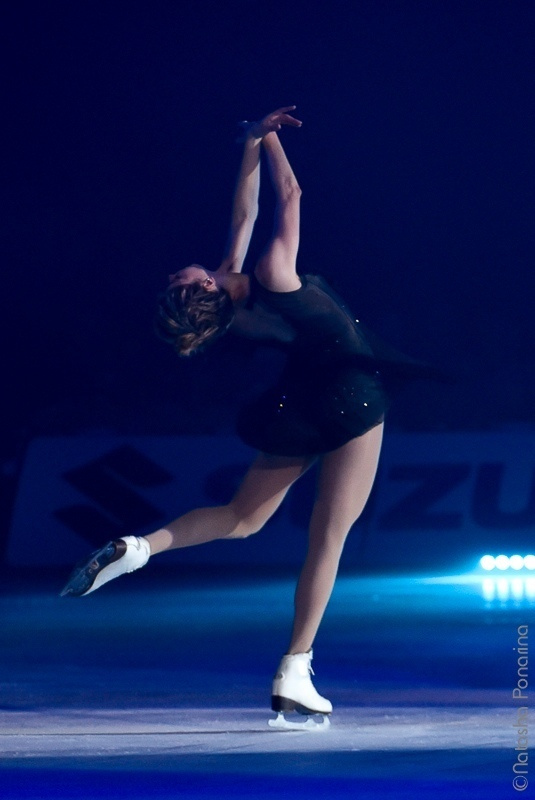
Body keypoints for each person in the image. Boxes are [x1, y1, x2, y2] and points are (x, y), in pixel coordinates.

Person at [61, 106, 434, 727]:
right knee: (329, 535)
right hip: (350, 391)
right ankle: (296, 667)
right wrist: (274, 139)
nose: (173, 273)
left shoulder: (233, 290)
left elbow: (245, 211)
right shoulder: (270, 274)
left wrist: (251, 143)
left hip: (297, 400)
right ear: (202, 289)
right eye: (179, 282)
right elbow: (288, 195)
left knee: (241, 519)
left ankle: (137, 547)